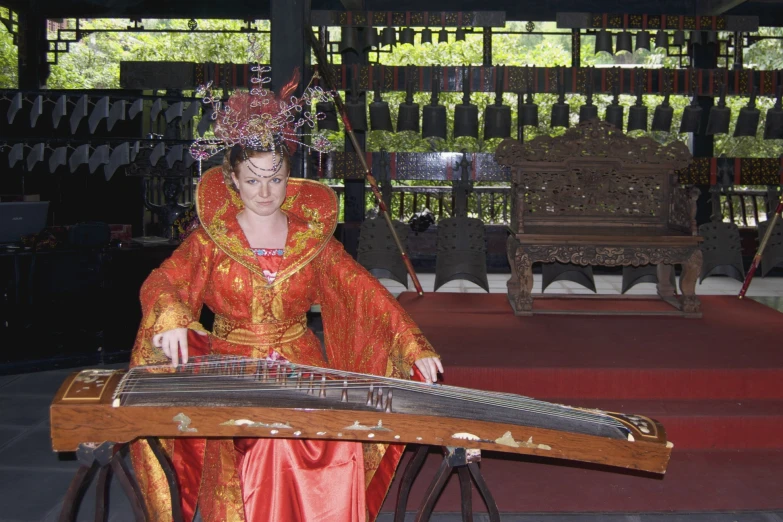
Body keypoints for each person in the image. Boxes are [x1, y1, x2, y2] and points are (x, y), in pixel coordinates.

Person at [129, 69, 443, 522]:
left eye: (274, 179)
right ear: (232, 180)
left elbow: (363, 291)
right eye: (252, 179)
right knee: (264, 446)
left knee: (336, 442)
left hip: (302, 364)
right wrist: (173, 316)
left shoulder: (311, 240)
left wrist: (411, 344)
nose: (264, 191)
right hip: (231, 368)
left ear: (288, 178)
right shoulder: (210, 241)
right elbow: (162, 282)